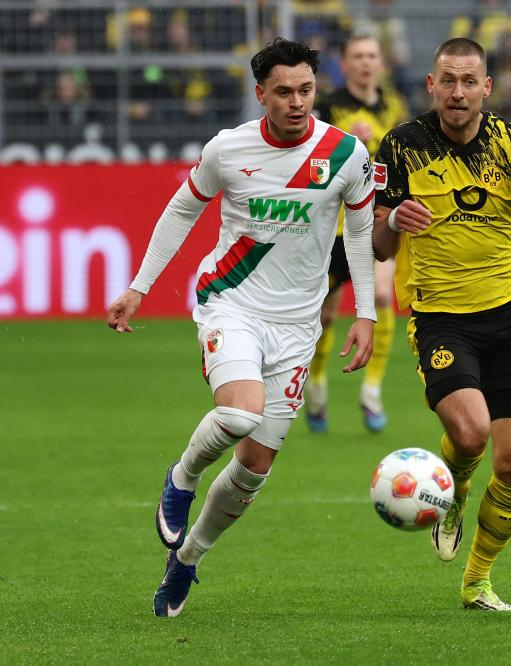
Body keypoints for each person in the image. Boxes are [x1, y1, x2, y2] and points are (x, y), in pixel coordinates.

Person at [106, 37, 378, 618]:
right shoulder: (228, 149)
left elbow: (359, 233)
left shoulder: (346, 154)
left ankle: (187, 561)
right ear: (261, 94)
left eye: (306, 90)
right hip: (231, 303)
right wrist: (139, 287)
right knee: (239, 414)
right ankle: (181, 479)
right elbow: (182, 209)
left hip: (298, 326)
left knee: (254, 467)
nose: (297, 102)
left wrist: (365, 311)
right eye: (283, 92)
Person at [371, 37, 511, 610]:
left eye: (468, 81)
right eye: (448, 80)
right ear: (431, 85)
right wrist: (396, 221)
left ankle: (477, 580)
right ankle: (455, 487)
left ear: (486, 87)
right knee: (470, 434)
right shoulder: (402, 146)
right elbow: (379, 245)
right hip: (441, 317)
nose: (458, 92)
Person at [305, 34, 409, 433]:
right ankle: (316, 384)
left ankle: (371, 391)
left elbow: (403, 158)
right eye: (358, 56)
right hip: (335, 227)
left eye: (372, 56)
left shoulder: (395, 105)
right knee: (325, 315)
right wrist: (349, 148)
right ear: (345, 64)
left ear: (380, 63)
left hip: (379, 220)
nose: (366, 63)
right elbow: (311, 164)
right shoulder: (329, 107)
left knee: (382, 297)